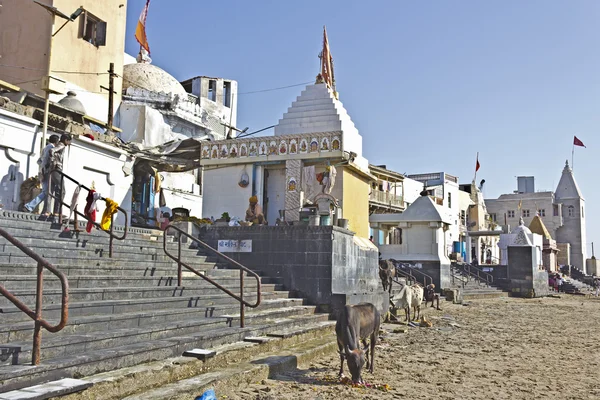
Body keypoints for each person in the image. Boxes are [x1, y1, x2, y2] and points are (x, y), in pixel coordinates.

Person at [24, 135, 60, 214]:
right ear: (56, 141)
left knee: (47, 192)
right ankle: (29, 206)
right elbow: (43, 161)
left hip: (43, 172)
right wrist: (43, 172)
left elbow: (39, 161)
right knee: (46, 192)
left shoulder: (45, 148)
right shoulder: (50, 148)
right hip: (45, 172)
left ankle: (45, 210)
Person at [48, 134, 72, 217]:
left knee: (54, 191)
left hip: (55, 170)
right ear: (65, 140)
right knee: (62, 190)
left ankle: (53, 211)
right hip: (56, 169)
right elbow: (51, 151)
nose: (69, 143)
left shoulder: (60, 145)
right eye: (69, 141)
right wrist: (53, 162)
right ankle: (57, 211)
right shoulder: (61, 145)